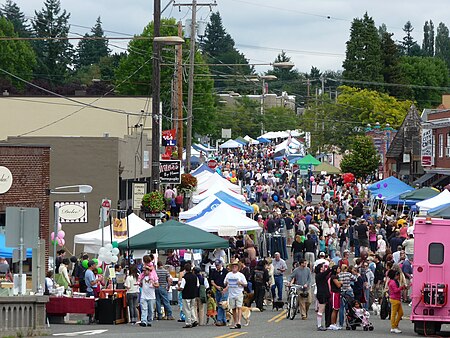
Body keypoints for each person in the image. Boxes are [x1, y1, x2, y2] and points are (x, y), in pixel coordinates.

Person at [223, 260, 248, 330]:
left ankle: (239, 322)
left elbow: (246, 284)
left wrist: (240, 283)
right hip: (231, 294)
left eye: (235, 266)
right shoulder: (228, 275)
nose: (234, 267)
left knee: (239, 307)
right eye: (233, 266)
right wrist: (226, 284)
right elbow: (225, 283)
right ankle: (235, 322)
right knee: (233, 308)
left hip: (239, 292)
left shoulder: (241, 275)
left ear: (238, 267)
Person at [178, 263, 199, 329]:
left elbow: (182, 287)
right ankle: (194, 320)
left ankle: (188, 322)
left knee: (186, 309)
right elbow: (197, 285)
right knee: (192, 308)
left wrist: (178, 288)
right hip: (193, 294)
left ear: (185, 269)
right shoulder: (195, 276)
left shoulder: (184, 278)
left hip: (186, 295)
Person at [209, 260, 228, 327]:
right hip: (217, 290)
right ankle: (224, 320)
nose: (217, 267)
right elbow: (212, 281)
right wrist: (217, 287)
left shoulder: (225, 271)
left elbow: (228, 281)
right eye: (216, 265)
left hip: (224, 290)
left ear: (221, 265)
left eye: (218, 265)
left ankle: (219, 320)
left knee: (221, 305)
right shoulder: (214, 272)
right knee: (218, 304)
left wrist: (225, 289)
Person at [315, 263, 331, 331]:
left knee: (323, 309)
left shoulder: (320, 275)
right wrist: (330, 267)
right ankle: (319, 325)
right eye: (322, 267)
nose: (324, 268)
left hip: (324, 294)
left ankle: (322, 324)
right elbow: (327, 272)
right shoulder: (319, 275)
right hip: (322, 294)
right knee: (321, 310)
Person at [388, 269, 405, 334]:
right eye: (397, 275)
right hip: (395, 299)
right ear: (395, 276)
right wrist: (401, 287)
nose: (398, 277)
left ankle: (395, 325)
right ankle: (393, 327)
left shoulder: (393, 281)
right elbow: (395, 290)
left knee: (400, 313)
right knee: (394, 314)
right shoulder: (393, 282)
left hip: (396, 299)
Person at [329, 265, 343, 330]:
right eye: (338, 268)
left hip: (338, 293)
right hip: (334, 293)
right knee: (334, 309)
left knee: (337, 309)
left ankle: (334, 323)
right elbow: (338, 285)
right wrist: (340, 282)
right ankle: (332, 323)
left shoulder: (337, 276)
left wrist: (340, 282)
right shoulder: (333, 276)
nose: (339, 269)